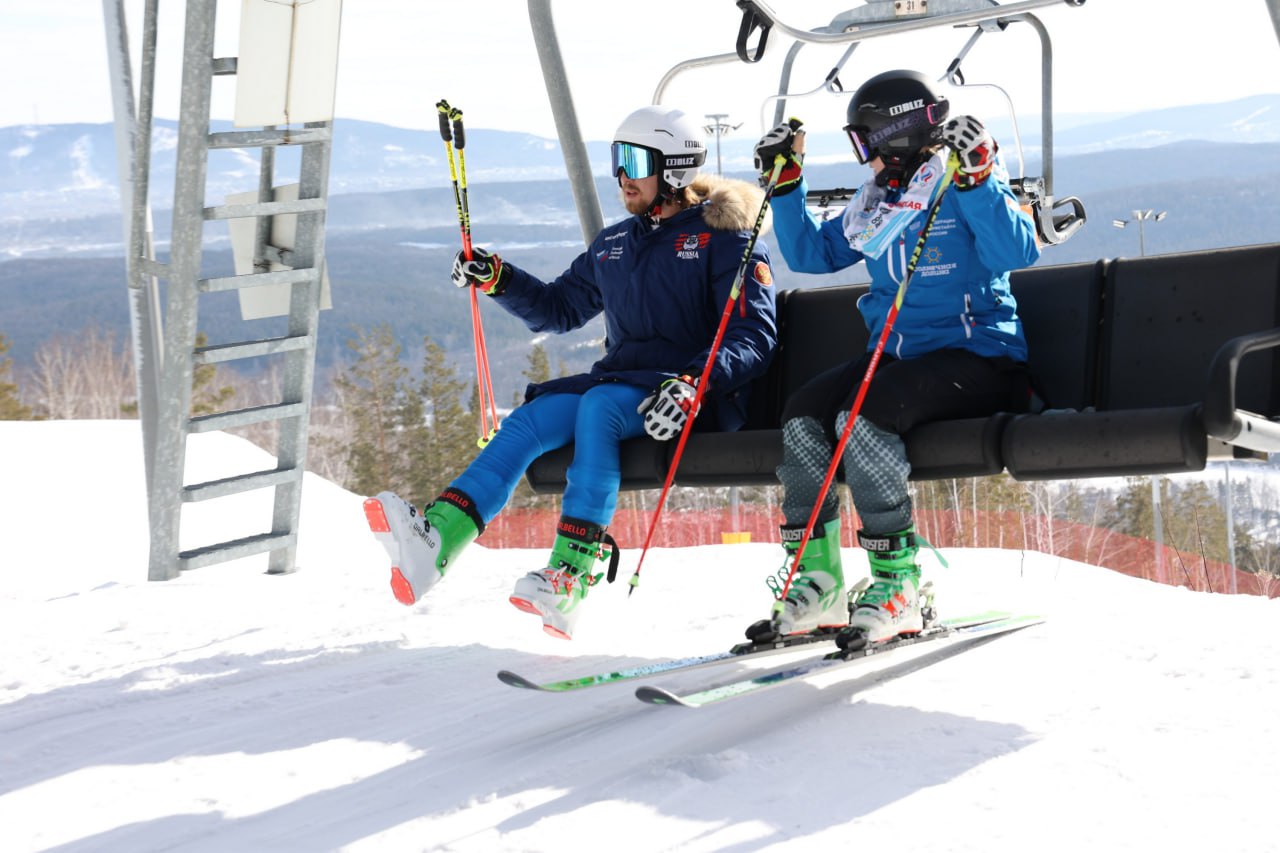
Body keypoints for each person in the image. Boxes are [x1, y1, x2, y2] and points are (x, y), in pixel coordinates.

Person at [364, 105, 778, 640]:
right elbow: (558, 310)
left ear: (675, 168)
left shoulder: (725, 240)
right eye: (617, 160)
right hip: (623, 385)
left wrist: (694, 383)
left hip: (686, 396)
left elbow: (753, 336)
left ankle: (571, 575)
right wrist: (499, 278)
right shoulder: (615, 245)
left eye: (635, 162)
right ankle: (437, 541)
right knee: (531, 418)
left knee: (600, 407)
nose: (622, 176)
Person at [749, 69, 1041, 648]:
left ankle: (897, 583)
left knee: (863, 417)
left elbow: (1016, 250)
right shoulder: (877, 204)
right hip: (898, 359)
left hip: (979, 356)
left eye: (866, 144)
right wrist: (786, 186)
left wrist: (978, 177)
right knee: (804, 414)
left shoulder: (960, 181)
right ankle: (820, 580)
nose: (865, 160)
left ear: (898, 136)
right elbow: (810, 255)